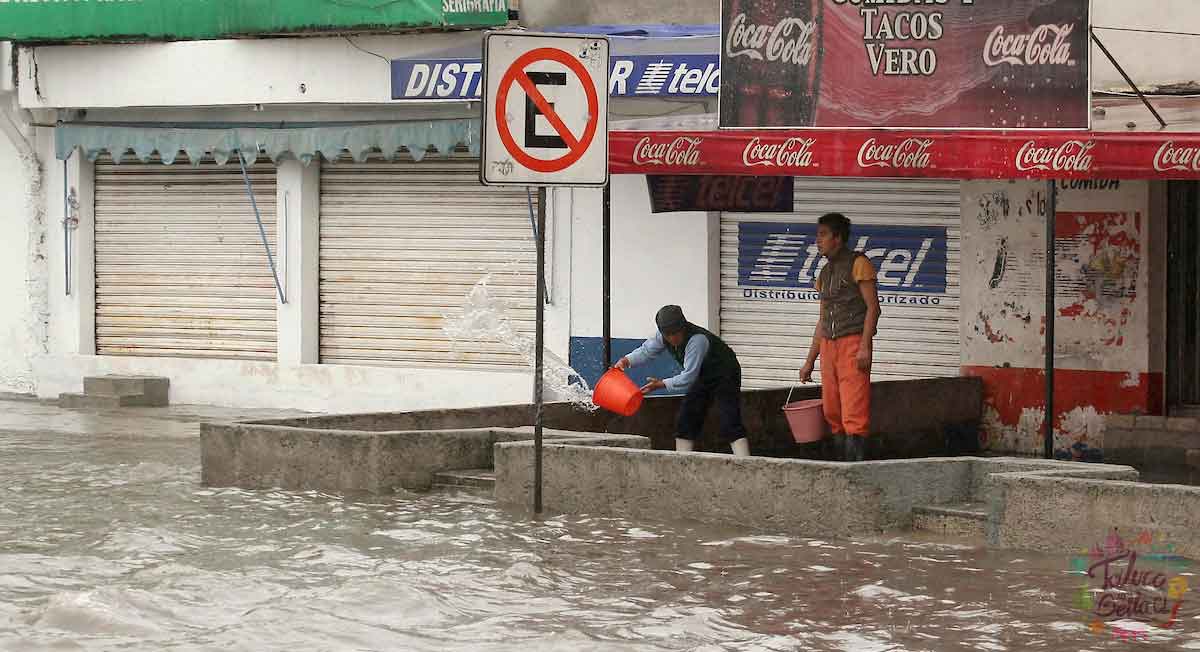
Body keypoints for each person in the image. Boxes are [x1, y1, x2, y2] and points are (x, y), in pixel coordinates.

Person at [614, 305, 751, 456]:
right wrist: (626, 361)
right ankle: (682, 460)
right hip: (702, 374)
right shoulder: (662, 337)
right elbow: (646, 351)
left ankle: (744, 462)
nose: (673, 338)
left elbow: (688, 377)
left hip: (725, 373)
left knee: (729, 419)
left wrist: (662, 384)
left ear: (683, 327)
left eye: (676, 333)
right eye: (668, 335)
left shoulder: (697, 340)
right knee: (686, 419)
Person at [798, 213, 881, 462]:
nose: (818, 240)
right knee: (832, 409)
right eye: (818, 235)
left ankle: (855, 467)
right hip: (828, 345)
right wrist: (810, 359)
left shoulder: (859, 263)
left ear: (838, 238)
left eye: (823, 234)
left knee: (853, 410)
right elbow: (822, 320)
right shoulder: (824, 273)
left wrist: (864, 346)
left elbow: (873, 308)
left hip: (852, 341)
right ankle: (839, 465)